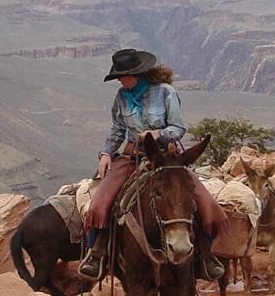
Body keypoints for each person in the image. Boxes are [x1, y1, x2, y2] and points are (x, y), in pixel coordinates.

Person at [79, 48, 226, 281]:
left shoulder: (165, 92)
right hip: (132, 156)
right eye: (118, 76)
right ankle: (97, 253)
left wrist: (158, 134)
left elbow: (178, 128)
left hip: (167, 157)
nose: (119, 79)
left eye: (122, 75)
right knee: (98, 205)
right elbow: (118, 129)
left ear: (137, 74)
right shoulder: (121, 97)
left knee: (207, 206)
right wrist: (106, 153)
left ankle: (206, 256)